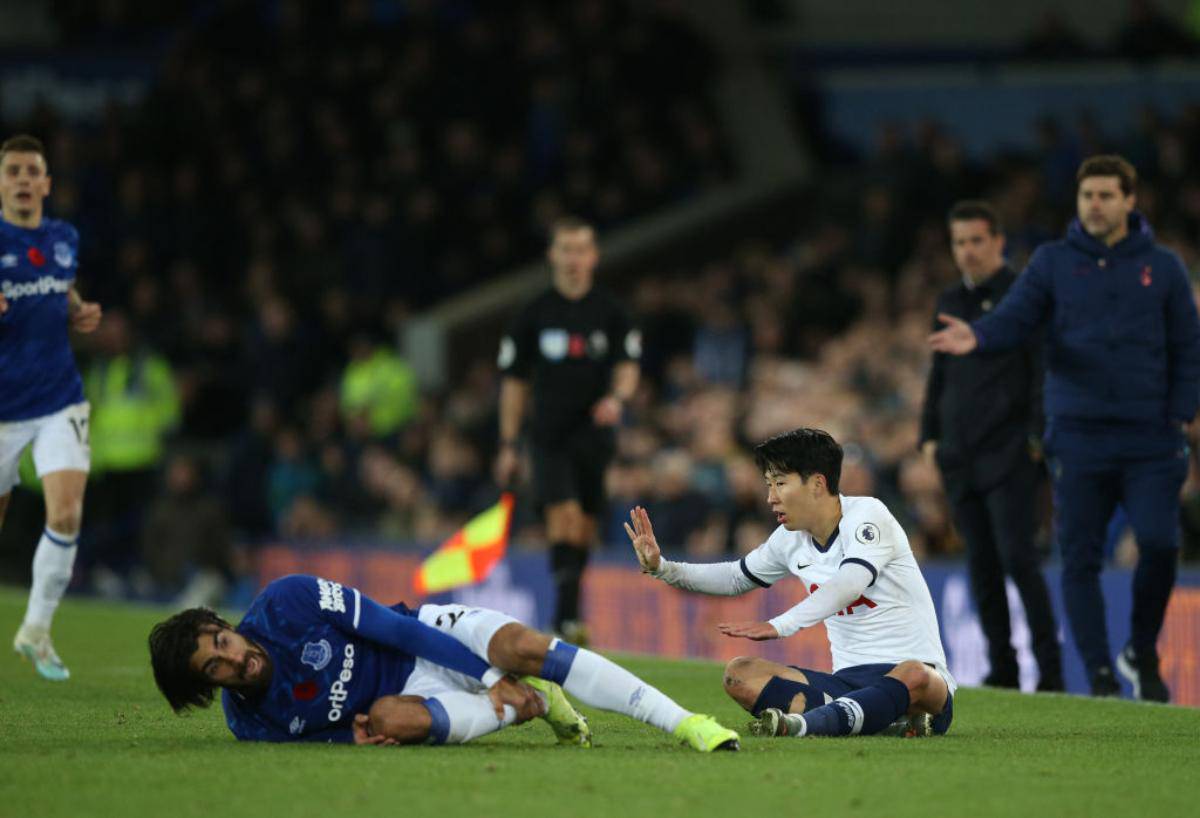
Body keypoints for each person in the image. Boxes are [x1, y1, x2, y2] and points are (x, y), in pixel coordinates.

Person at [929, 155, 1200, 702]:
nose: (1094, 205)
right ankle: (1100, 673)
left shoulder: (1164, 267)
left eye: (1105, 195)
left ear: (1130, 200)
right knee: (1079, 556)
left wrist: (1183, 410)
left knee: (1159, 543)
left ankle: (1141, 650)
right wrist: (978, 337)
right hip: (1078, 433)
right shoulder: (1054, 262)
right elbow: (1016, 316)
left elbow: (1188, 345)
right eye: (1086, 196)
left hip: (1151, 436)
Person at [148, 573, 739, 751]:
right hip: (416, 699)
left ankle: (685, 722)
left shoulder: (286, 603)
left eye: (221, 643)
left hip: (427, 636)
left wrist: (488, 674)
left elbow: (395, 626)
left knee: (527, 648)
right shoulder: (248, 723)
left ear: (223, 626)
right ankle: (529, 705)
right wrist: (355, 741)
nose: (234, 662)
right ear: (207, 687)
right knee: (388, 720)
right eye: (214, 669)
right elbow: (329, 740)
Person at [625, 428, 956, 739]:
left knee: (914, 673)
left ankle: (804, 725)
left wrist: (781, 624)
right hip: (847, 682)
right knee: (740, 674)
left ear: (816, 483)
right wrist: (663, 568)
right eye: (769, 485)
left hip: (918, 685)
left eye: (780, 483)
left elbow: (851, 582)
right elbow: (735, 577)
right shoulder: (789, 539)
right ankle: (880, 721)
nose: (771, 498)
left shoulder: (869, 514)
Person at [919, 200, 1063, 691]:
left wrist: (1037, 437)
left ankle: (1051, 672)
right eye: (959, 242)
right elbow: (939, 375)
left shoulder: (1024, 296)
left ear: (999, 241)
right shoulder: (949, 299)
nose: (968, 251)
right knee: (980, 564)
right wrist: (929, 436)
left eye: (977, 240)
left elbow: (1043, 368)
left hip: (1010, 452)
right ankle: (1002, 670)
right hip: (960, 455)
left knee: (1019, 559)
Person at [494, 216, 640, 644]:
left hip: (594, 437)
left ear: (593, 257)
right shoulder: (533, 314)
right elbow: (514, 384)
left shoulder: (612, 312)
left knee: (583, 528)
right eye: (566, 250)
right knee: (564, 515)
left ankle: (569, 614)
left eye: (581, 250)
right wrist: (507, 443)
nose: (574, 258)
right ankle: (563, 621)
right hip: (548, 435)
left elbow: (628, 367)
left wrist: (618, 398)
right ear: (552, 256)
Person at [0, 134, 102, 681]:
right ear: (0, 182)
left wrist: (80, 309)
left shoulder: (63, 237)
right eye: (11, 170)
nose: (20, 179)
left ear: (45, 184)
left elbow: (59, 286)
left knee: (65, 513)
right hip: (2, 409)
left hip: (59, 398)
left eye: (30, 171)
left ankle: (36, 630)